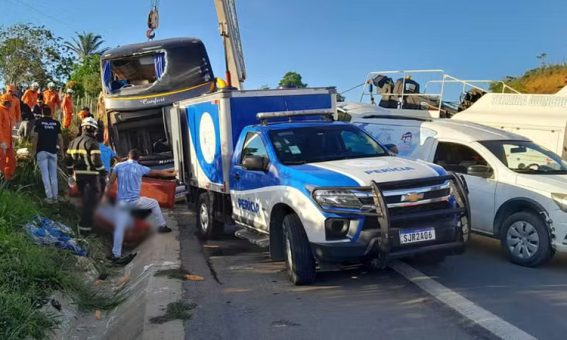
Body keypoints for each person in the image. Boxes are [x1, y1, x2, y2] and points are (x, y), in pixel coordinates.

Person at [103, 149, 175, 264]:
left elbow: (110, 183)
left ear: (127, 156)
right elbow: (158, 173)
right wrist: (173, 173)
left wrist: (105, 196)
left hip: (122, 203)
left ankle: (116, 255)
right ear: (139, 158)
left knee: (119, 228)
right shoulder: (140, 168)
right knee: (154, 203)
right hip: (136, 201)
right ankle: (162, 226)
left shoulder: (118, 166)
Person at [65, 118, 106, 232]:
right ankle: (85, 229)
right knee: (91, 202)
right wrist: (103, 173)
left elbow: (68, 160)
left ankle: (86, 223)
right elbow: (96, 161)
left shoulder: (73, 142)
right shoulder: (92, 143)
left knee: (85, 199)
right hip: (91, 176)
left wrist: (70, 173)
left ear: (83, 128)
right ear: (94, 129)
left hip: (78, 176)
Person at [31, 106, 64, 203]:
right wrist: (61, 151)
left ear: (42, 113)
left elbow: (35, 138)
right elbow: (60, 138)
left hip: (41, 151)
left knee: (45, 175)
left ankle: (49, 197)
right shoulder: (56, 123)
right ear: (51, 113)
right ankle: (55, 197)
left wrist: (33, 151)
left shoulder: (39, 122)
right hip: (53, 152)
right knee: (53, 175)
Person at [97, 132, 118, 199]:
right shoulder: (108, 149)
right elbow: (119, 159)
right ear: (103, 139)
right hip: (106, 173)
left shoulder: (92, 149)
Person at [0, 94, 14, 180]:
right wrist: (1, 142)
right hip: (2, 142)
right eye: (10, 103)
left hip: (9, 140)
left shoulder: (7, 110)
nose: (11, 104)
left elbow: (9, 126)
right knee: (2, 160)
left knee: (12, 159)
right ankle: (2, 178)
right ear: (5, 102)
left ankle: (8, 177)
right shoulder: (0, 110)